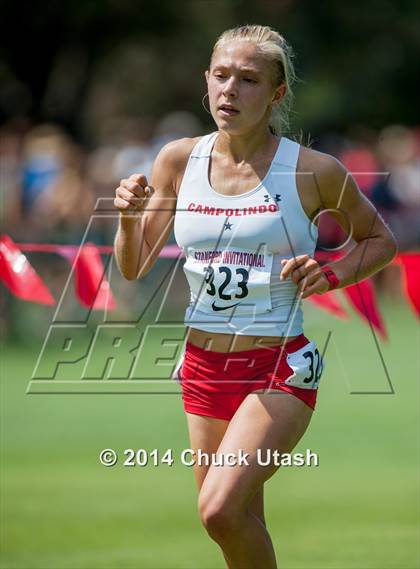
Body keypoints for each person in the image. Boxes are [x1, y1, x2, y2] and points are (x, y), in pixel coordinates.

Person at [114, 24, 397, 569]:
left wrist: (333, 273)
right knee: (238, 524)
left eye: (248, 80)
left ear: (276, 94)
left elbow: (380, 239)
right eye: (221, 76)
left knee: (218, 510)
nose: (230, 90)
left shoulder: (315, 171)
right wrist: (127, 220)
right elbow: (132, 267)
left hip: (277, 368)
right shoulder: (177, 160)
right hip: (200, 367)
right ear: (206, 81)